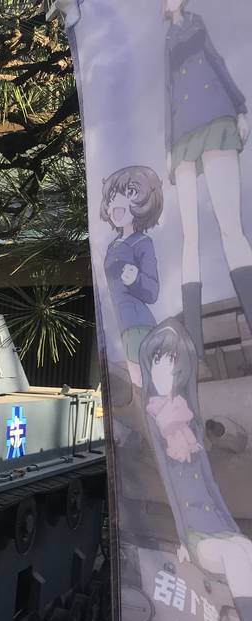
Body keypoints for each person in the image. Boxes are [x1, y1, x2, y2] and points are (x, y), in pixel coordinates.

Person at [139, 319, 252, 621]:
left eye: (174, 363)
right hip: (195, 533)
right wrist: (183, 539)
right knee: (235, 556)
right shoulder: (154, 420)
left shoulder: (189, 419)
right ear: (150, 363)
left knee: (245, 549)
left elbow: (211, 486)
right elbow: (170, 483)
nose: (167, 371)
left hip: (218, 526)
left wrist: (233, 529)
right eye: (160, 360)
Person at [164, 0, 252, 356]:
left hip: (215, 116)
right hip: (182, 134)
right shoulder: (167, 38)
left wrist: (240, 108)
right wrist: (168, 145)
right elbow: (168, 89)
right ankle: (196, 352)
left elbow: (216, 61)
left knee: (231, 226)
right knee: (189, 237)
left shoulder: (195, 24)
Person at [100, 165, 163, 385]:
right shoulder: (111, 247)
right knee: (135, 385)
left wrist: (135, 279)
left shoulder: (143, 242)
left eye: (129, 192)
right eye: (111, 197)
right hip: (118, 327)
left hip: (138, 325)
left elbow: (152, 291)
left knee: (145, 383)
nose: (115, 203)